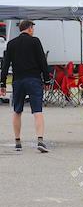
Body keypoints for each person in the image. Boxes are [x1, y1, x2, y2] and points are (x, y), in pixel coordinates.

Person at [0, 20, 50, 152]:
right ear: (29, 29)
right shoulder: (35, 41)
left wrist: (2, 83)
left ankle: (17, 141)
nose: (33, 30)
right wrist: (47, 80)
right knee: (37, 111)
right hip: (33, 80)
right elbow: (42, 61)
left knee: (17, 111)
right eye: (32, 28)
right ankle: (40, 140)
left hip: (18, 81)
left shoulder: (11, 44)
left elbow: (5, 65)